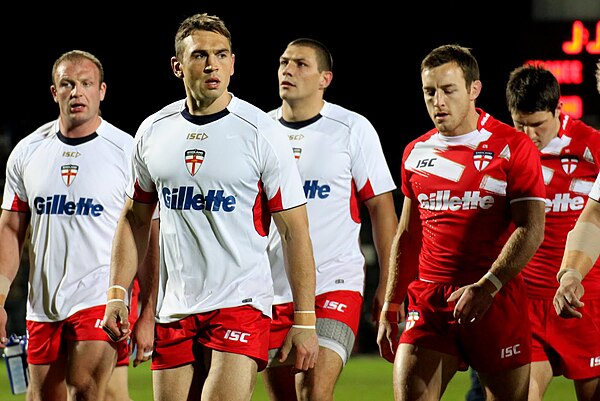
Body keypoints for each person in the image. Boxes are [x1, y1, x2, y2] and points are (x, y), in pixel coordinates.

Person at [100, 13, 319, 401]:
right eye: (200, 55)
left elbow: (294, 229)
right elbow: (134, 218)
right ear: (177, 66)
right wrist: (117, 293)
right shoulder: (153, 131)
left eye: (221, 55)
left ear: (233, 63)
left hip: (242, 302)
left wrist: (305, 319)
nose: (212, 64)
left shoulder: (261, 131)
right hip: (176, 307)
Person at [376, 44, 546, 401]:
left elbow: (531, 227)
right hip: (430, 301)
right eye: (429, 91)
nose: (438, 101)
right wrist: (391, 303)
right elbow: (408, 235)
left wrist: (488, 286)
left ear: (473, 90)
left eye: (448, 90)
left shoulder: (512, 146)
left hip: (494, 297)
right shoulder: (415, 151)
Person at [0, 49, 156, 401]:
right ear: (54, 92)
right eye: (67, 84)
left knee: (85, 389)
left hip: (102, 298)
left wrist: (148, 309)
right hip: (44, 302)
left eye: (86, 84)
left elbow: (148, 233)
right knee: (44, 396)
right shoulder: (28, 152)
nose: (77, 92)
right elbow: (10, 229)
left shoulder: (127, 152)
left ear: (102, 91)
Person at [261, 38, 398, 401]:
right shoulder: (259, 131)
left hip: (334, 284)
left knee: (313, 391)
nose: (287, 70)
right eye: (283, 62)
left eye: (300, 64)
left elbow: (382, 208)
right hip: (271, 291)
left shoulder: (351, 128)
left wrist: (389, 280)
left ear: (325, 78)